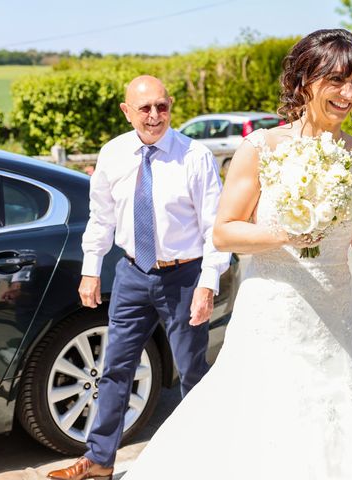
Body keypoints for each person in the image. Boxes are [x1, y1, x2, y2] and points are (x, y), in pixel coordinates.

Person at [123, 29, 352, 479]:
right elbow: (224, 233)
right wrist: (285, 233)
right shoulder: (262, 148)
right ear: (303, 80)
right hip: (275, 315)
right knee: (265, 432)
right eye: (336, 80)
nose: (348, 93)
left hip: (338, 317)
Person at [47, 75, 231, 480]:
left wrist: (208, 282)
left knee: (193, 371)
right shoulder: (113, 154)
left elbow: (214, 227)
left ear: (170, 107)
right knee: (115, 367)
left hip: (183, 277)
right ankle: (98, 462)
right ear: (127, 112)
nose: (154, 116)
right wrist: (91, 269)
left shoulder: (194, 156)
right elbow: (101, 218)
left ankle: (207, 461)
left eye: (161, 107)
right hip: (131, 273)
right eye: (144, 108)